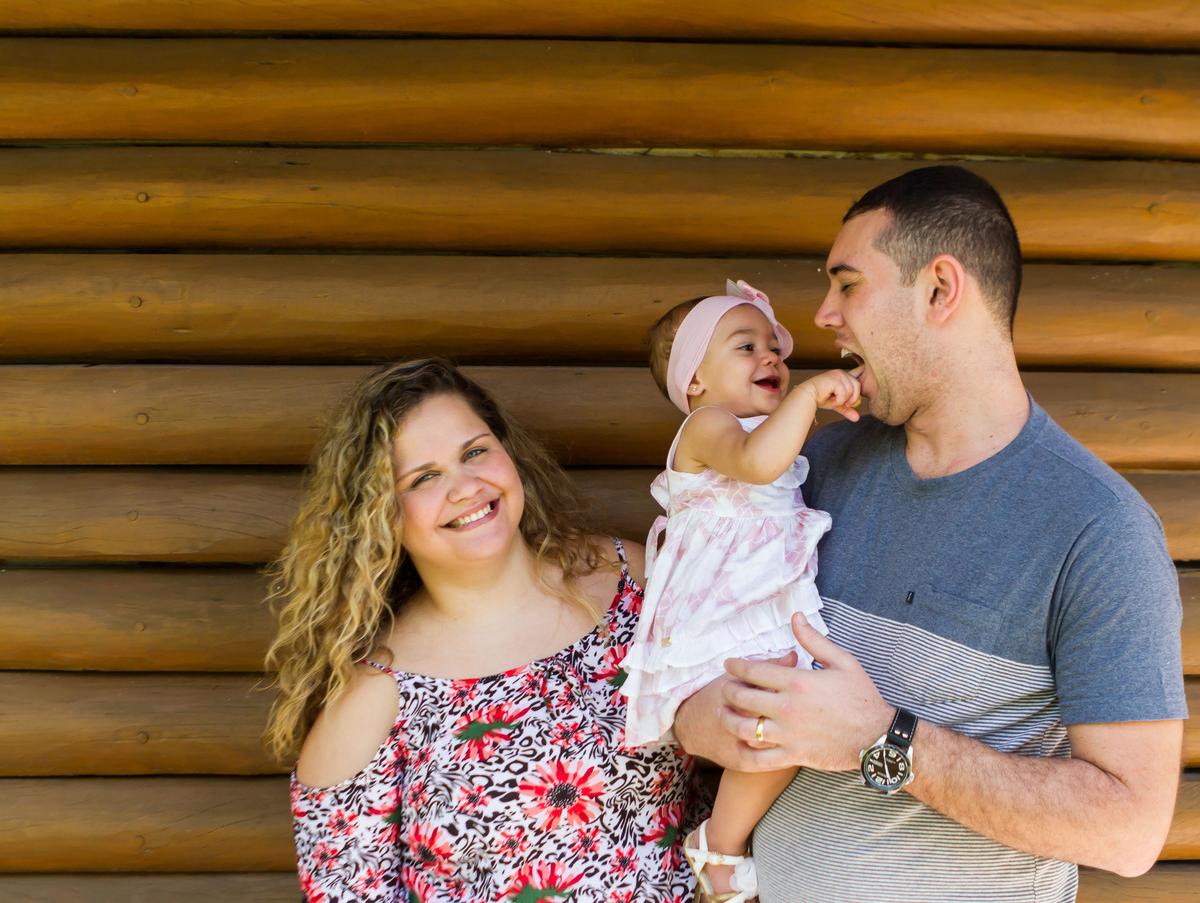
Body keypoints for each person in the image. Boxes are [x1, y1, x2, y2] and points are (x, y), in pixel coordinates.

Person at [674, 165, 1187, 903]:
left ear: (941, 290)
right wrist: (703, 717)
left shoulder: (1099, 530)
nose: (822, 315)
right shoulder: (806, 471)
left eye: (848, 284)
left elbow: (1130, 830)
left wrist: (883, 742)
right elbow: (694, 663)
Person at [265, 358, 707, 903]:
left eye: (474, 452)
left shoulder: (633, 581)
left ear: (507, 453)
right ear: (379, 514)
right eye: (424, 478)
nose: (466, 487)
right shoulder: (375, 695)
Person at [622, 280, 860, 902]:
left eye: (775, 348)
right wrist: (808, 396)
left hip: (762, 597)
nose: (771, 358)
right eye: (745, 346)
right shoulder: (708, 425)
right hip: (727, 606)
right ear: (694, 381)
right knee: (780, 714)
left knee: (786, 719)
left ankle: (723, 843)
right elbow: (758, 464)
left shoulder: (756, 426)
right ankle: (720, 844)